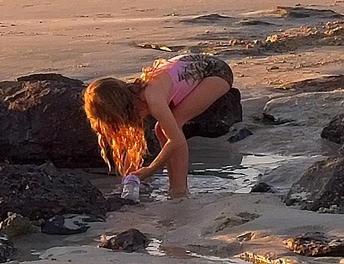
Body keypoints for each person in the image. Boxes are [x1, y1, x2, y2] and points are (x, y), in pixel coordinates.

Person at [83, 54, 235, 200]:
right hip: (191, 67)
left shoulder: (152, 96)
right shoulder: (135, 96)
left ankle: (180, 190)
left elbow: (176, 140)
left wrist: (150, 170)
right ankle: (174, 186)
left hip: (216, 72)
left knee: (174, 124)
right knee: (160, 130)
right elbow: (132, 141)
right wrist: (129, 176)